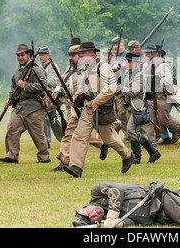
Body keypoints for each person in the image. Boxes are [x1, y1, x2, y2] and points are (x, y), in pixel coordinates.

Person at [63, 42, 134, 178]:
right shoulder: (85, 68)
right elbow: (84, 87)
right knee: (79, 136)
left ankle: (127, 155)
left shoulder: (103, 66)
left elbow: (111, 88)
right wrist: (76, 96)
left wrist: (97, 101)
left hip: (101, 108)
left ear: (90, 53)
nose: (79, 56)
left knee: (109, 139)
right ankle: (76, 167)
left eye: (81, 54)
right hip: (88, 108)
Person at [52, 44, 105, 172]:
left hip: (83, 106)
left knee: (72, 134)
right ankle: (102, 144)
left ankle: (64, 163)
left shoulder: (85, 69)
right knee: (75, 134)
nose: (71, 58)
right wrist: (57, 98)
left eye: (74, 55)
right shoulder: (69, 70)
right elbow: (63, 85)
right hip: (72, 107)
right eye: (69, 55)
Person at [0, 44, 50, 164]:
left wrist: (25, 85)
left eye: (22, 55)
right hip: (20, 106)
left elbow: (43, 86)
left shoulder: (36, 69)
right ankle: (12, 156)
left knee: (37, 134)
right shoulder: (18, 71)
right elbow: (13, 86)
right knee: (12, 128)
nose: (20, 58)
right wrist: (10, 98)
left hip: (34, 106)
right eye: (18, 56)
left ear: (28, 55)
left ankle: (44, 157)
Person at [122, 52, 161, 164]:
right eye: (126, 61)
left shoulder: (139, 76)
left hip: (138, 107)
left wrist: (121, 88)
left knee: (130, 130)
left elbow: (133, 92)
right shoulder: (127, 74)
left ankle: (136, 157)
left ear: (134, 63)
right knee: (141, 134)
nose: (127, 64)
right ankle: (154, 153)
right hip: (131, 107)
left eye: (129, 62)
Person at [142, 44, 180, 145]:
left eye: (148, 52)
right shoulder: (145, 65)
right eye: (146, 52)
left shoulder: (163, 65)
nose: (146, 54)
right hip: (149, 95)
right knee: (149, 120)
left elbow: (168, 80)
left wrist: (155, 83)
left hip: (160, 95)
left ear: (154, 54)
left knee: (163, 119)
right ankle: (150, 142)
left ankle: (178, 126)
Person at [38, 46, 62, 147]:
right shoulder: (39, 66)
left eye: (42, 55)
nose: (40, 57)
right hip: (41, 95)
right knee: (51, 118)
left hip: (50, 95)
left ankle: (47, 141)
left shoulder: (53, 66)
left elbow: (54, 81)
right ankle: (64, 137)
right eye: (39, 55)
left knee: (47, 118)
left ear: (48, 55)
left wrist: (40, 79)